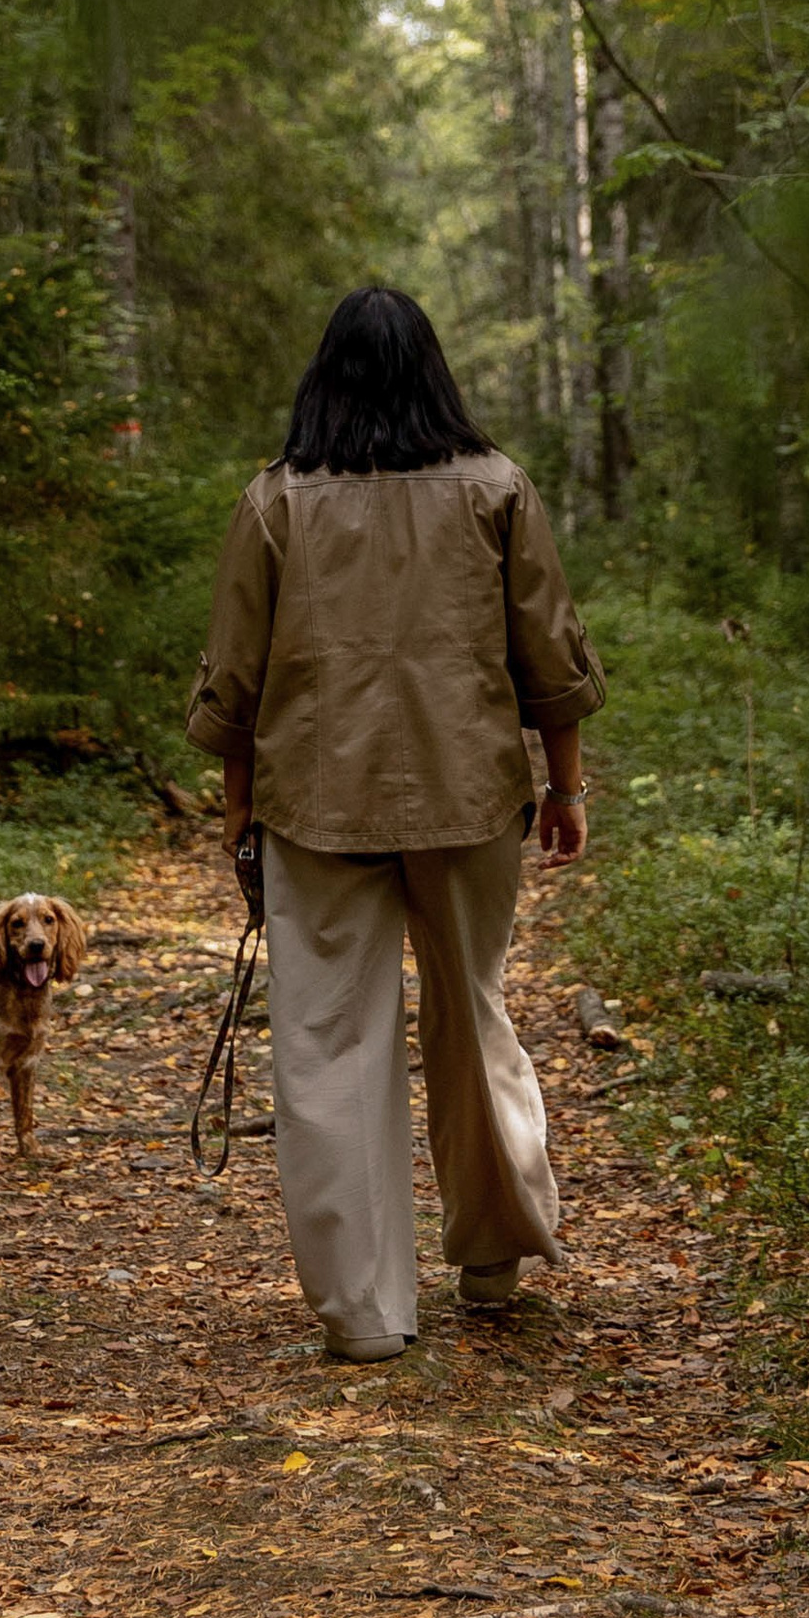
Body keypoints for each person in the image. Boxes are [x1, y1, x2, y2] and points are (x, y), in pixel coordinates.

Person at [184, 286, 606, 1364]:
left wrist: (239, 814)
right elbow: (549, 653)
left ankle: (365, 1311)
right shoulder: (496, 487)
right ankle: (494, 1253)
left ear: (323, 376)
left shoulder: (276, 500)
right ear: (433, 372)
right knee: (471, 1011)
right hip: (468, 796)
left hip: (313, 803)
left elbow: (234, 676)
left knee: (327, 1040)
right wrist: (565, 788)